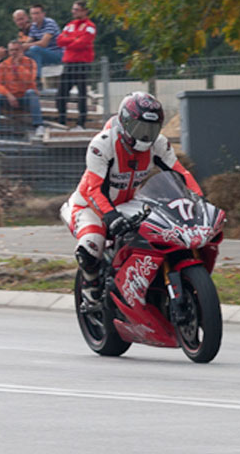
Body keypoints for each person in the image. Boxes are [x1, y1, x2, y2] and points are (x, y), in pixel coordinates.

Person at [60, 91, 203, 303]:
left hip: (129, 203)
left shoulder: (159, 144)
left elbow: (181, 173)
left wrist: (199, 200)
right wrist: (110, 215)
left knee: (163, 230)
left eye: (151, 129)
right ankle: (91, 289)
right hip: (89, 207)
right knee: (91, 245)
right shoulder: (103, 144)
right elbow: (94, 189)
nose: (145, 136)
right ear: (125, 123)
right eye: (140, 128)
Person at [0, 40, 47, 140]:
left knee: (31, 92)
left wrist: (18, 66)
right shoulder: (3, 65)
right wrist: (8, 95)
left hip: (25, 99)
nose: (14, 52)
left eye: (16, 50)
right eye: (11, 50)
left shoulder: (30, 62)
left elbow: (29, 80)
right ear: (9, 52)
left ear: (21, 51)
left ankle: (38, 126)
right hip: (9, 99)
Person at [56, 0, 97, 131]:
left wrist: (71, 41)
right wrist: (75, 39)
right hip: (68, 63)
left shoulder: (90, 26)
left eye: (76, 9)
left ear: (84, 11)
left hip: (82, 63)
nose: (73, 12)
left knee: (81, 94)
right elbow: (59, 41)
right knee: (61, 94)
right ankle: (62, 121)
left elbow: (83, 42)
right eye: (73, 9)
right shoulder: (69, 25)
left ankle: (81, 123)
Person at [25, 3, 64, 79]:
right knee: (23, 53)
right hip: (45, 54)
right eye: (33, 14)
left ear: (43, 14)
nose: (35, 16)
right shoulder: (33, 26)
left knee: (34, 49)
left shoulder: (49, 23)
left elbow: (43, 43)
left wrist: (25, 46)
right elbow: (28, 42)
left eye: (37, 13)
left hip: (57, 54)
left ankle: (37, 79)